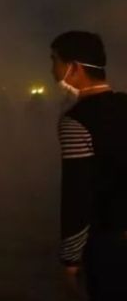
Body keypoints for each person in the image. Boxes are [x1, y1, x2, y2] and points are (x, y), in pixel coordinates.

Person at [51, 31, 127, 300]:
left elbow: (77, 192)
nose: (53, 70)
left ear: (74, 68)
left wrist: (70, 258)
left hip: (109, 243)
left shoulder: (76, 120)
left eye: (55, 61)